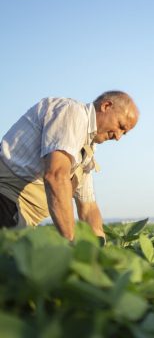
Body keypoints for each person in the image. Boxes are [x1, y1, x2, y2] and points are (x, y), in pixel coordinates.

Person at [0, 90, 139, 241]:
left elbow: (88, 207)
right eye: (120, 126)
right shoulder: (73, 113)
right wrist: (71, 240)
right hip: (5, 201)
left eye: (123, 133)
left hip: (20, 218)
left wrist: (99, 246)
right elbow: (55, 176)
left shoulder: (87, 149)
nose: (118, 137)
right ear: (106, 106)